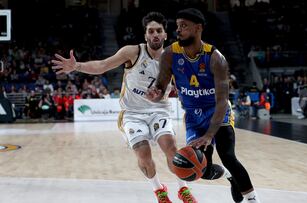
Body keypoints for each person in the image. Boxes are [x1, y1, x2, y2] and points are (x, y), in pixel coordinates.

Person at [52, 12, 197, 203]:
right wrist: (77, 66)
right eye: (151, 31)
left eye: (159, 31)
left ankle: (183, 190)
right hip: (132, 113)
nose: (155, 34)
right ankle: (159, 190)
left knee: (170, 147)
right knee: (143, 154)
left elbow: (184, 87)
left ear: (165, 35)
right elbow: (102, 66)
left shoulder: (174, 58)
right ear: (145, 35)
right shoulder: (133, 52)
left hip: (159, 111)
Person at [147, 8, 261, 203]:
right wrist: (155, 94)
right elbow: (161, 85)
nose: (178, 30)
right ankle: (230, 177)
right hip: (193, 117)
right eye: (177, 26)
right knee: (201, 170)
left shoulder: (216, 58)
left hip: (217, 112)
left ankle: (252, 199)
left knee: (227, 155)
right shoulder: (170, 54)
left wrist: (209, 135)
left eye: (184, 26)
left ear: (198, 28)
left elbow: (222, 101)